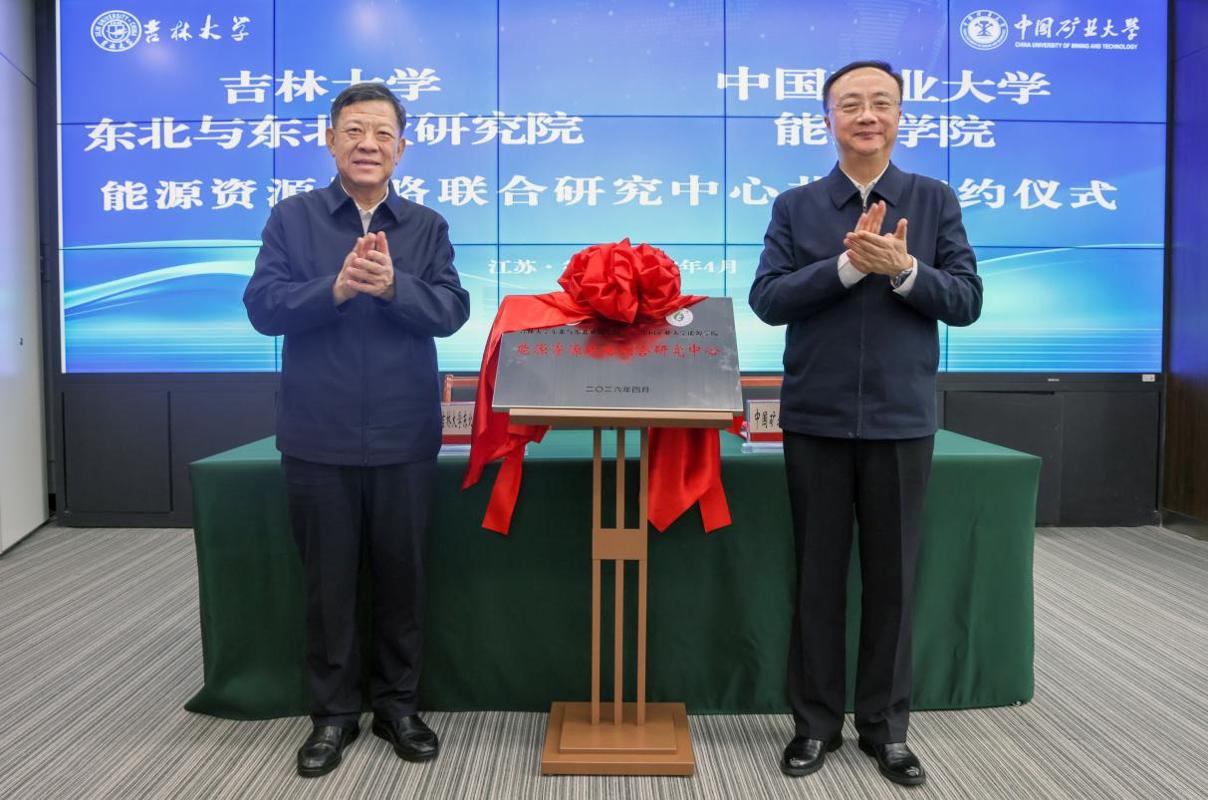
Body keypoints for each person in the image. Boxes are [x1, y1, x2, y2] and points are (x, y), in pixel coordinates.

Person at [748, 60, 982, 787]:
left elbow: (967, 300)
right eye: (851, 104)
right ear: (828, 119)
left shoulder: (933, 199)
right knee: (817, 577)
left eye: (881, 102)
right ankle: (815, 724)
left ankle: (886, 729)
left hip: (900, 419)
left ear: (900, 115)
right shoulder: (796, 206)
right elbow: (767, 299)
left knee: (894, 581)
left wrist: (904, 270)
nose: (867, 115)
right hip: (816, 419)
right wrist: (847, 269)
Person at [243, 82, 470, 778]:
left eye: (381, 133)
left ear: (401, 147)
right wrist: (336, 288)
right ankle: (333, 716)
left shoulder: (425, 225)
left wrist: (395, 287)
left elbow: (452, 311)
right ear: (331, 140)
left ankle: (398, 707)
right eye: (353, 131)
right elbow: (263, 307)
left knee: (403, 580)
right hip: (318, 434)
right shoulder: (293, 218)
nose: (367, 144)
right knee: (329, 586)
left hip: (404, 434)